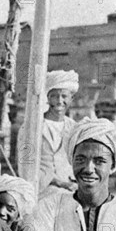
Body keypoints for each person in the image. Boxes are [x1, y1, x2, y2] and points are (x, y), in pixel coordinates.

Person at [38, 70, 79, 198]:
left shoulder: (74, 128)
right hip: (41, 191)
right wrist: (59, 183)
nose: (60, 101)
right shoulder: (34, 127)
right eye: (55, 96)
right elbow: (26, 164)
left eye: (64, 96)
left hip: (71, 190)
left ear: (71, 99)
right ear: (48, 98)